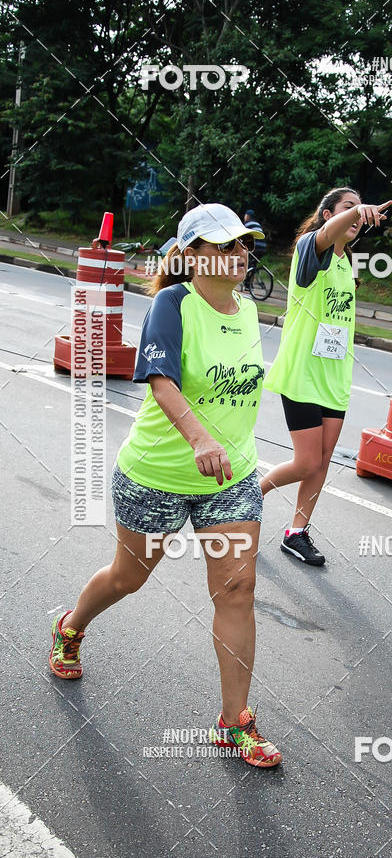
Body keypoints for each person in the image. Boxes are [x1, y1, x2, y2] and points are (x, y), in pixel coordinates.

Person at [48, 203, 281, 769]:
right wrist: (199, 438)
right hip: (156, 474)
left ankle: (234, 721)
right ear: (193, 254)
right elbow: (160, 377)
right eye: (225, 246)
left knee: (237, 591)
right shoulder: (173, 303)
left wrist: (224, 448)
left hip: (231, 476)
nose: (238, 256)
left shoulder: (249, 311)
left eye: (243, 245)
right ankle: (71, 627)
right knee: (129, 577)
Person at [261, 188, 392, 566]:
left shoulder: (347, 262)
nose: (356, 216)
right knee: (305, 462)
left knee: (322, 460)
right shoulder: (309, 250)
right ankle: (251, 493)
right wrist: (357, 212)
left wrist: (352, 215)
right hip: (302, 372)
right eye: (347, 209)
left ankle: (296, 532)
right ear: (327, 214)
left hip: (334, 377)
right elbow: (324, 235)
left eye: (359, 209)